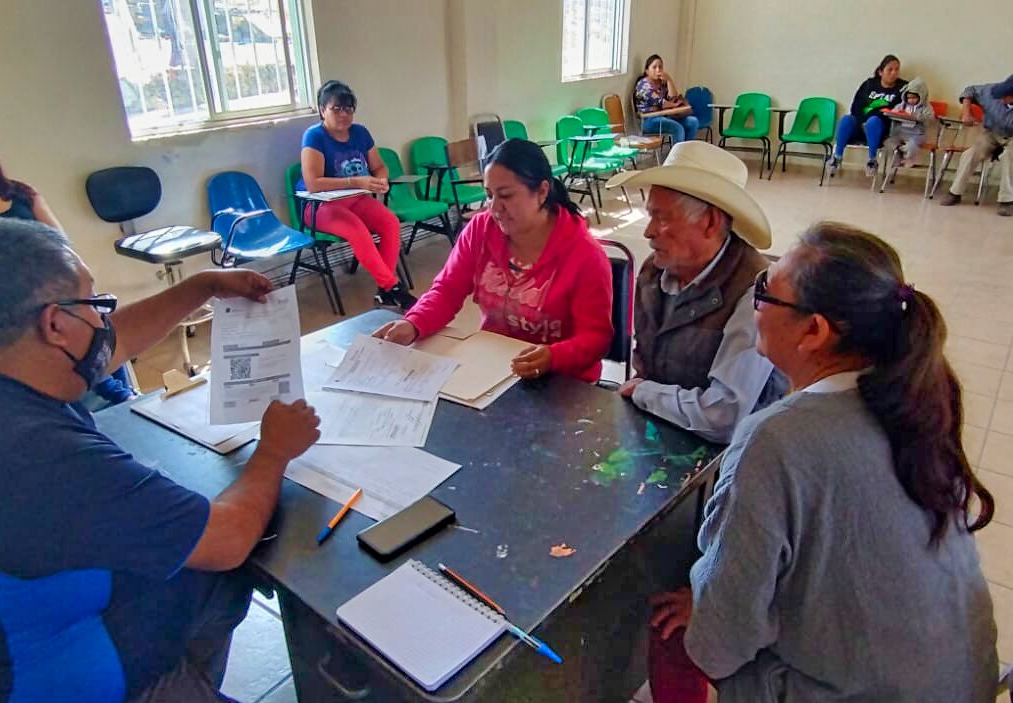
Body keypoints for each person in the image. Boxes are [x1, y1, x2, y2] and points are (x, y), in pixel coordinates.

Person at [0, 218, 321, 703]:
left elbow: (108, 346)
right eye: (94, 304)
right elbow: (227, 538)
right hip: (47, 699)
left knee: (216, 584)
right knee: (231, 554)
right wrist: (274, 450)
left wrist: (203, 286)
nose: (104, 319)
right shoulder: (28, 457)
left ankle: (189, 680)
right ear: (55, 324)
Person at [646, 221, 998, 703]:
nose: (754, 298)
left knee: (686, 633)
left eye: (766, 290)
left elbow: (719, 646)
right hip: (956, 694)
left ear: (814, 332)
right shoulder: (918, 403)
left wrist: (710, 599)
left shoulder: (775, 440)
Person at [0, 119, 134, 406]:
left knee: (96, 326)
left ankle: (120, 395)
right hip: (7, 309)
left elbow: (62, 245)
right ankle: (108, 394)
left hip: (57, 295)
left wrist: (83, 289)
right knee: (69, 345)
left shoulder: (21, 192)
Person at [372, 138, 613, 383]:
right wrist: (414, 323)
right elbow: (447, 291)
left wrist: (553, 356)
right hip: (495, 368)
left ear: (542, 191)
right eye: (489, 195)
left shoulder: (584, 255)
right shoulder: (481, 229)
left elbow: (596, 338)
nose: (495, 208)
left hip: (562, 382)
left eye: (506, 195)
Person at [615, 142, 785, 444]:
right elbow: (644, 364)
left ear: (710, 222)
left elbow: (724, 417)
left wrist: (644, 392)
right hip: (660, 435)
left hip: (730, 459)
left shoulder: (756, 292)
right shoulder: (654, 272)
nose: (648, 232)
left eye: (663, 218)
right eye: (650, 216)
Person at [299, 80, 415, 310]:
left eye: (348, 109)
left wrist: (381, 180)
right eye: (336, 109)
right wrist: (354, 181)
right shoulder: (314, 136)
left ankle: (385, 290)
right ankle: (392, 288)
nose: (343, 114)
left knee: (390, 222)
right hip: (321, 207)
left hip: (356, 199)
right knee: (358, 231)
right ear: (323, 110)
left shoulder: (360, 133)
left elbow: (379, 167)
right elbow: (313, 184)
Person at [940, 72, 1013, 217]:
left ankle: (1007, 201)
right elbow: (969, 91)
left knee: (1011, 154)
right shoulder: (991, 91)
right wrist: (966, 113)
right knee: (971, 153)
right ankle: (955, 192)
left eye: (1005, 97)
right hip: (993, 131)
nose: (1001, 99)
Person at [828, 54, 907, 178]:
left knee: (874, 121)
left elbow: (895, 112)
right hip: (860, 125)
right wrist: (863, 121)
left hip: (882, 128)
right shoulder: (869, 84)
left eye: (897, 69)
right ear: (881, 72)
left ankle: (872, 160)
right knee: (846, 119)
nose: (894, 73)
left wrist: (871, 118)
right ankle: (836, 158)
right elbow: (856, 106)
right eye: (890, 70)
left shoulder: (902, 88)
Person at [633, 54, 699, 145]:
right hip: (649, 120)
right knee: (678, 128)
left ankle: (685, 152)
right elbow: (662, 103)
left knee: (693, 122)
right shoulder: (643, 85)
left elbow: (673, 97)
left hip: (664, 116)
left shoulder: (662, 83)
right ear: (647, 71)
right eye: (654, 67)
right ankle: (678, 157)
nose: (658, 70)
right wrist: (674, 105)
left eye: (660, 67)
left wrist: (669, 80)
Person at [881, 77, 934, 168]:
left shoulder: (926, 107)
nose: (911, 100)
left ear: (921, 96)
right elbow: (894, 112)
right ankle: (897, 157)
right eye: (909, 98)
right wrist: (896, 113)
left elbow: (930, 117)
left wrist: (917, 116)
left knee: (911, 146)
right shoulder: (901, 105)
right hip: (900, 133)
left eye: (914, 98)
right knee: (888, 142)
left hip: (916, 134)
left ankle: (909, 158)